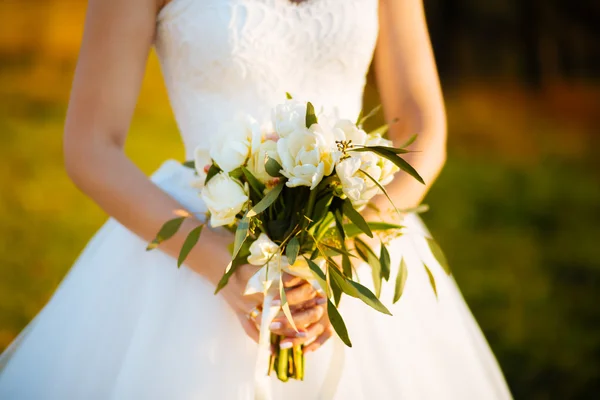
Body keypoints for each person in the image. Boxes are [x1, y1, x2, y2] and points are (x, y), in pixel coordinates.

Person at [0, 0, 512, 398]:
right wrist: (232, 271)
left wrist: (338, 252)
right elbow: (90, 147)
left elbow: (423, 128)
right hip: (201, 249)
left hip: (354, 245)